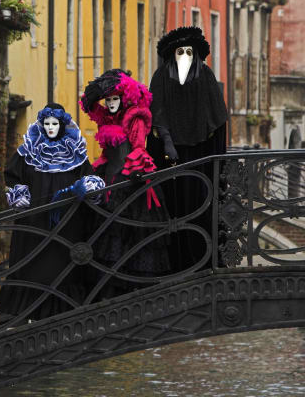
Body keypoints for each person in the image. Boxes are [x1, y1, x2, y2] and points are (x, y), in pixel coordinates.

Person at [0, 103, 97, 321]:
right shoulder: (29, 151)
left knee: (64, 266)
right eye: (47, 124)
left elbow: (88, 176)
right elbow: (13, 176)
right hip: (34, 221)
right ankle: (31, 311)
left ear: (61, 125)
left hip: (68, 222)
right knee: (34, 263)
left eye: (55, 124)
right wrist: (20, 196)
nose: (51, 128)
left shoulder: (75, 151)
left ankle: (64, 311)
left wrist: (86, 187)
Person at [79, 69, 171, 299]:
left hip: (132, 182)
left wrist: (136, 170)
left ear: (124, 98)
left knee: (132, 231)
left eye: (114, 98)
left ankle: (135, 290)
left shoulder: (135, 118)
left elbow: (139, 148)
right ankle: (110, 289)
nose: (110, 103)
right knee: (109, 232)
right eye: (107, 99)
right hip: (110, 179)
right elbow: (90, 107)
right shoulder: (108, 120)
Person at [147, 26, 228, 272]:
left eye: (188, 52)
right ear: (172, 54)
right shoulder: (161, 77)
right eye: (179, 51)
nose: (184, 56)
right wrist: (168, 142)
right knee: (174, 209)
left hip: (201, 158)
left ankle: (205, 261)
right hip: (170, 159)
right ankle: (174, 264)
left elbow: (217, 117)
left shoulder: (205, 76)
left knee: (201, 207)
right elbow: (157, 113)